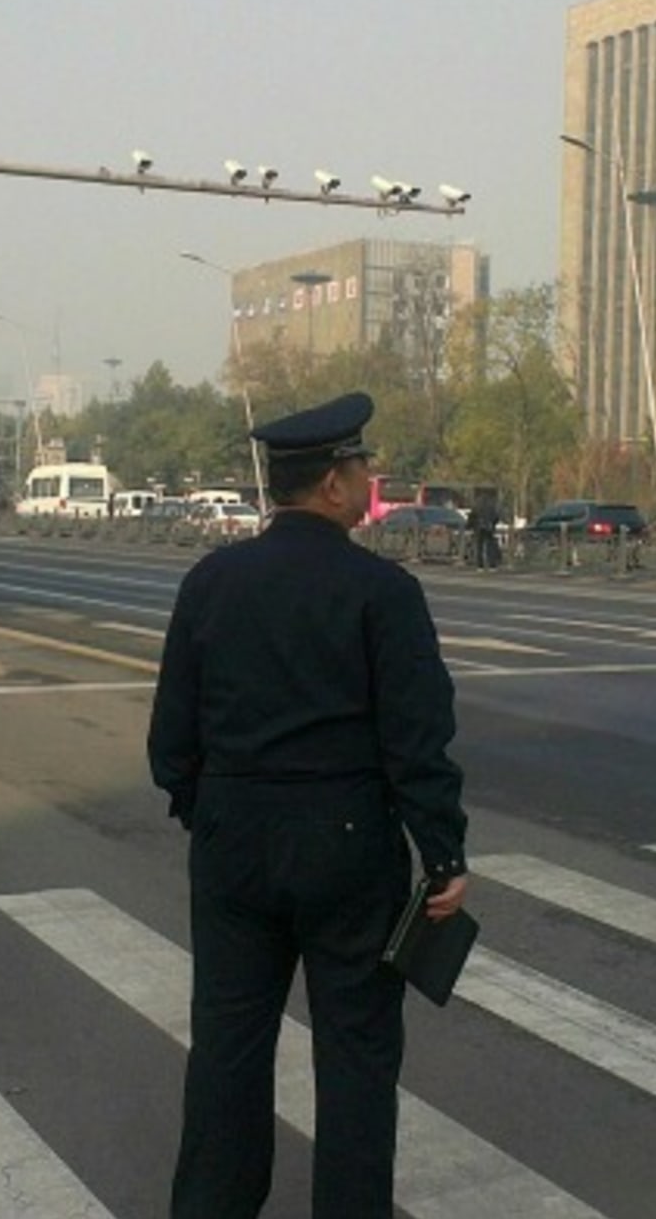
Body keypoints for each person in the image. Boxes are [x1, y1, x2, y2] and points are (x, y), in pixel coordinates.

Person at [148, 391, 469, 1219]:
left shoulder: (211, 581)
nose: (369, 479)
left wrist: (212, 810)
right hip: (347, 846)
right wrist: (443, 856)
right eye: (362, 467)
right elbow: (417, 742)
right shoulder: (382, 592)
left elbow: (170, 741)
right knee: (357, 1061)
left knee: (227, 1051)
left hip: (233, 843)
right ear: (333, 483)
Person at [470, 494, 502, 570]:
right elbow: (496, 517)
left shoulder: (476, 506)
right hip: (489, 528)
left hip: (479, 528)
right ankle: (492, 565)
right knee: (490, 547)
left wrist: (472, 526)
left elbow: (472, 517)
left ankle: (480, 565)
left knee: (479, 547)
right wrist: (493, 524)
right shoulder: (491, 507)